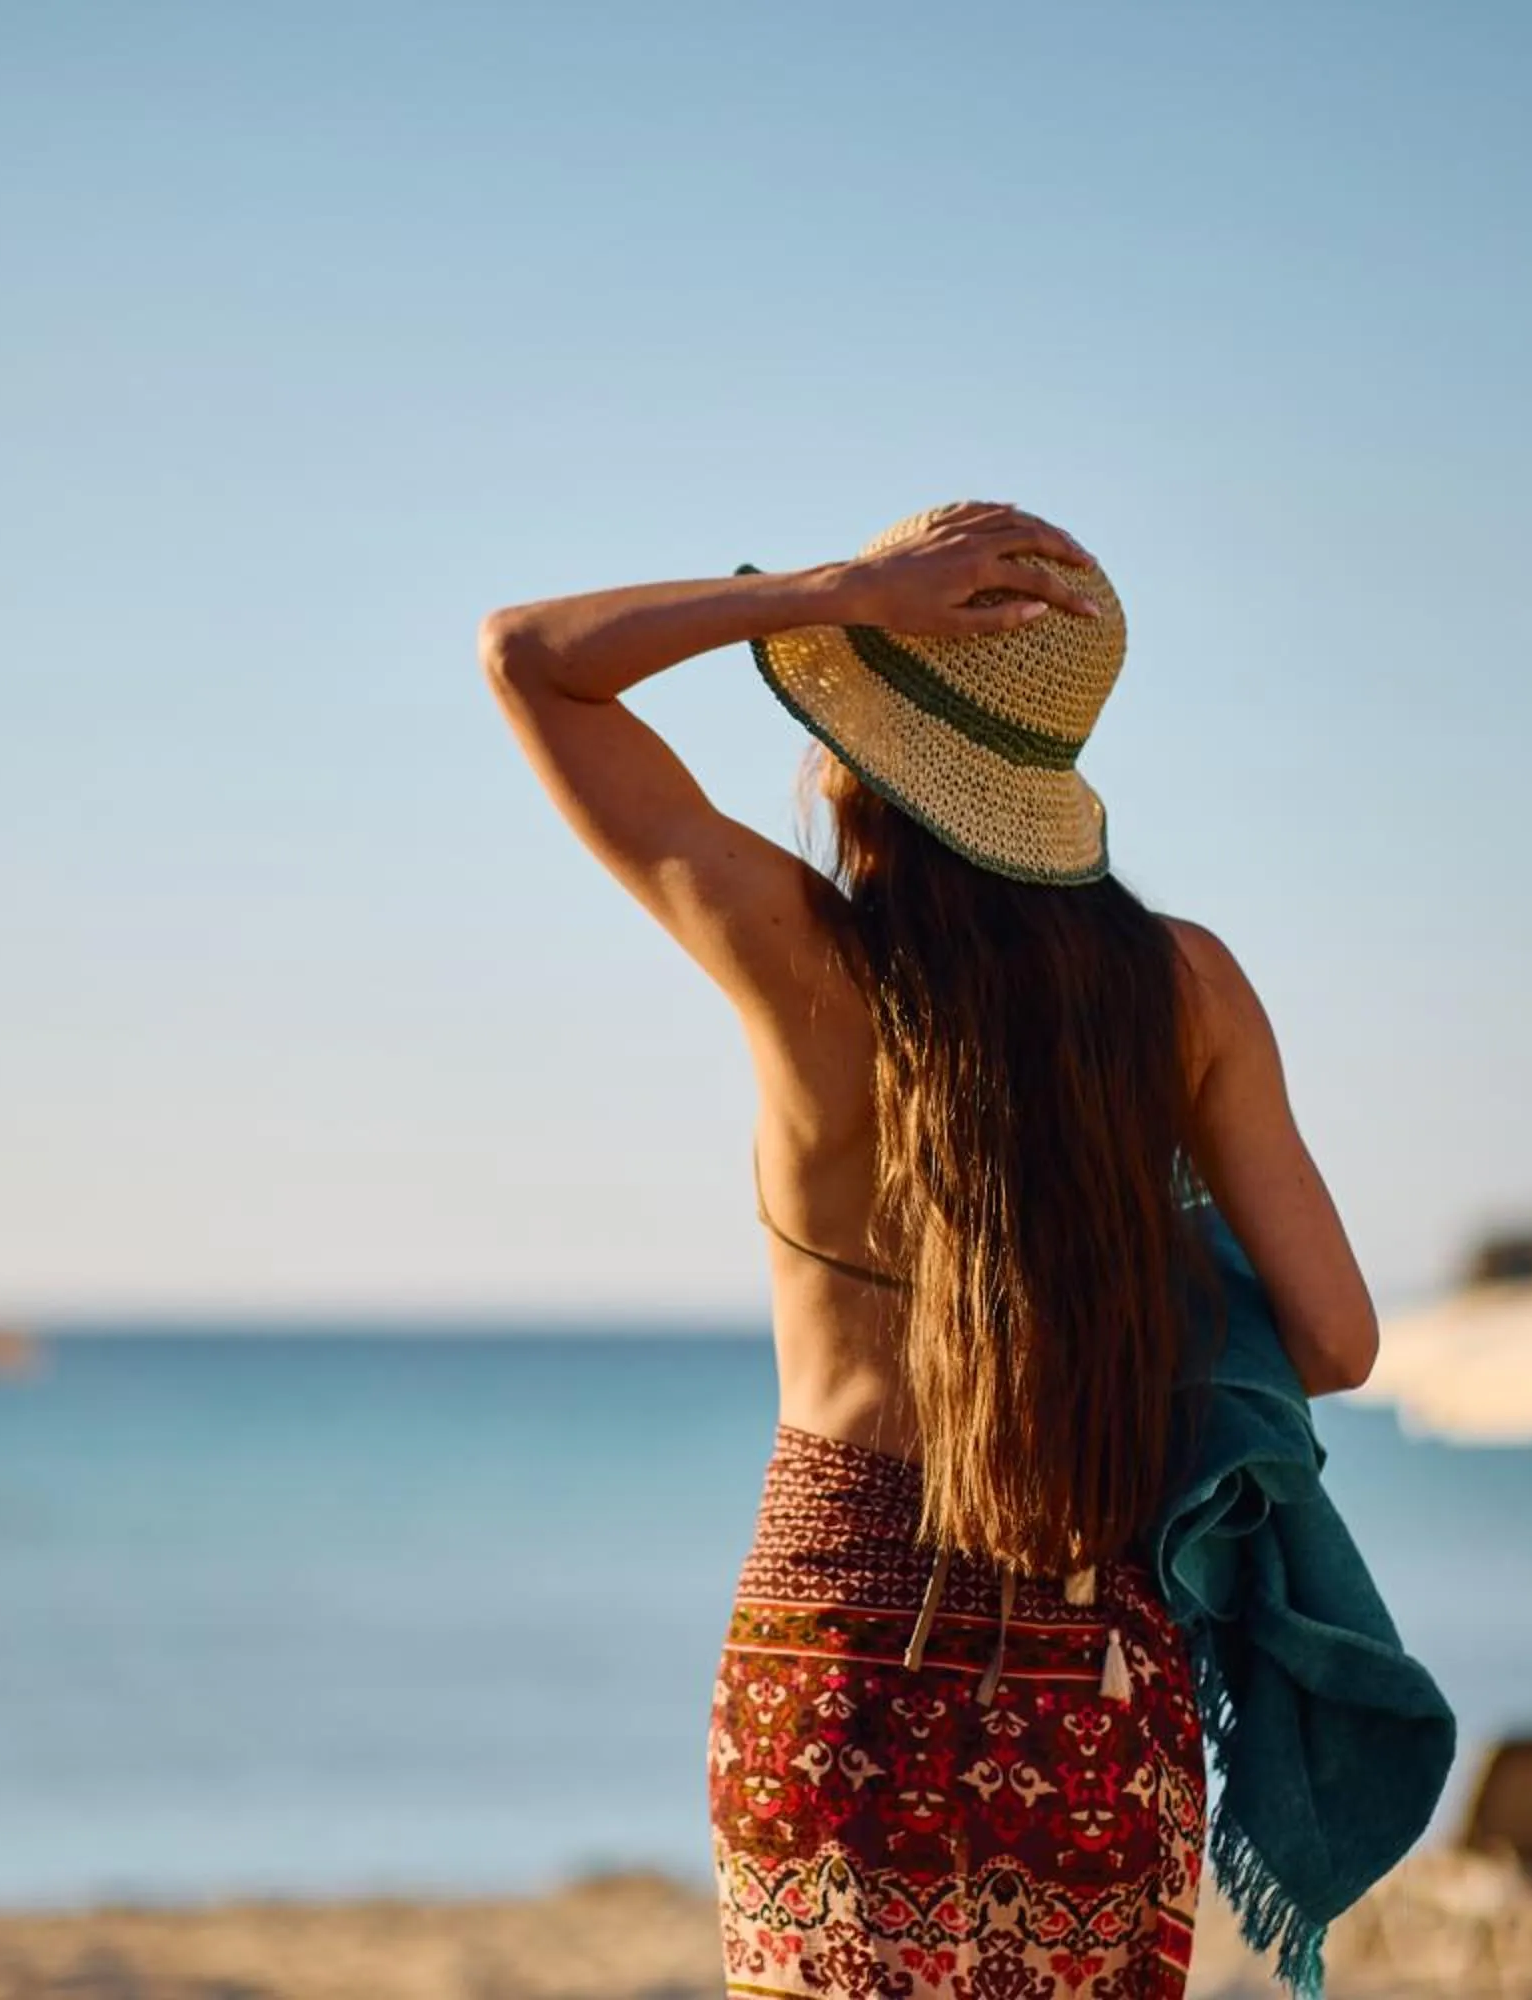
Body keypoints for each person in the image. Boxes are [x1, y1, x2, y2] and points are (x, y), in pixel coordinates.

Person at [480, 498, 1380, 1999]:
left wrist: (831, 593)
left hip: (840, 1650)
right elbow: (1338, 1342)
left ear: (860, 753)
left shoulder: (797, 954)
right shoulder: (1184, 994)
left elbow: (530, 658)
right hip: (1090, 1661)